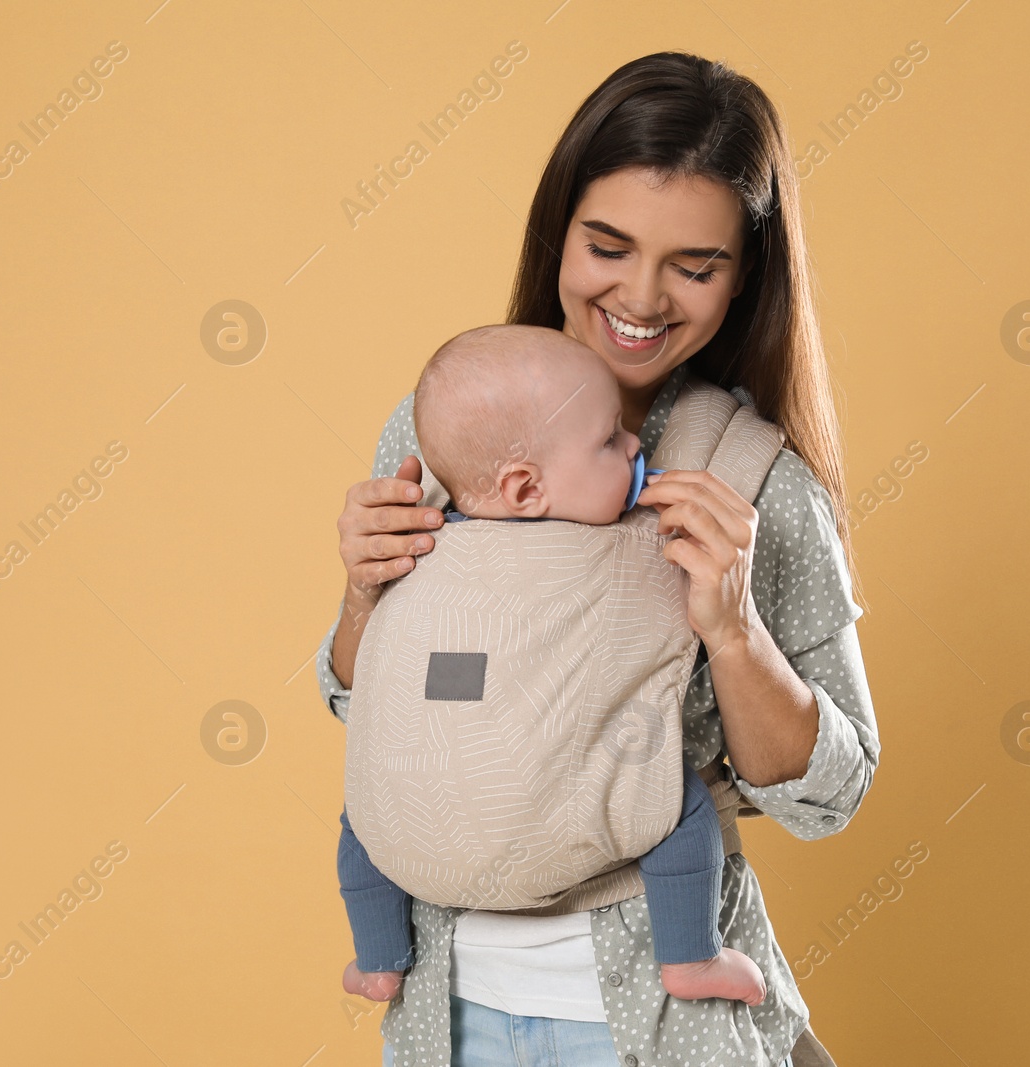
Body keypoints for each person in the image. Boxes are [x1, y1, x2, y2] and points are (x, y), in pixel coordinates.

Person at [318, 51, 879, 1067]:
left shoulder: (753, 483)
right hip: (449, 1010)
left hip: (662, 1022)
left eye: (694, 266)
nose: (641, 295)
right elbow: (379, 712)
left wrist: (735, 629)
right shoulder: (435, 432)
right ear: (558, 233)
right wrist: (363, 599)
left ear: (743, 276)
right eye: (606, 245)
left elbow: (828, 796)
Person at [336, 324, 767, 1009]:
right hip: (543, 834)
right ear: (526, 487)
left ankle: (379, 955)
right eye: (610, 441)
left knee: (366, 814)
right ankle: (690, 955)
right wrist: (358, 593)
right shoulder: (635, 556)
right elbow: (352, 683)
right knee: (677, 804)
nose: (636, 447)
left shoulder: (425, 540)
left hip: (416, 825)